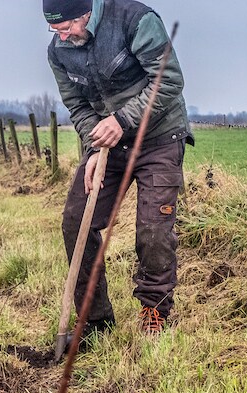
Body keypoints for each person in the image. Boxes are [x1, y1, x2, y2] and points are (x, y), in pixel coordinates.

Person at [44, 0, 193, 343]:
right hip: (109, 146)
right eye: (54, 31)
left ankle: (154, 312)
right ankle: (95, 320)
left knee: (153, 229)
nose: (62, 37)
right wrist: (95, 147)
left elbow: (168, 80)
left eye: (66, 27)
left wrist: (122, 121)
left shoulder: (135, 20)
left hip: (159, 138)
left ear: (85, 12)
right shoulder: (59, 51)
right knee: (75, 219)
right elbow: (77, 106)